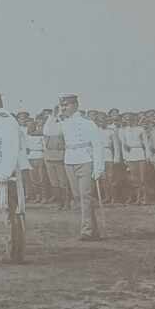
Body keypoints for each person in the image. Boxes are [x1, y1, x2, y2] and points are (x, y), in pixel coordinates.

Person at [48, 93, 106, 240]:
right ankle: (93, 230)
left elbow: (97, 145)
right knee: (78, 197)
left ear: (75, 105)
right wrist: (54, 115)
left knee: (85, 196)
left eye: (67, 105)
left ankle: (86, 230)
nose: (64, 108)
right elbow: (49, 132)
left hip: (85, 160)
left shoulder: (87, 123)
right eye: (62, 105)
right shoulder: (63, 122)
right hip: (70, 161)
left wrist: (99, 167)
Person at [0, 93, 29, 262]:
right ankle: (13, 250)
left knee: (12, 211)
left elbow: (11, 149)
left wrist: (4, 174)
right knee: (8, 211)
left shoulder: (5, 119)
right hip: (1, 172)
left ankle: (15, 252)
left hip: (8, 175)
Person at [41, 107, 71, 210]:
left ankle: (66, 202)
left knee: (63, 181)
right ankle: (59, 203)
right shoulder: (48, 127)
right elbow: (45, 139)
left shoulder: (63, 126)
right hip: (49, 158)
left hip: (60, 158)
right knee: (54, 182)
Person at [118, 112, 148, 204]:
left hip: (140, 154)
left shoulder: (140, 129)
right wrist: (125, 158)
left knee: (142, 178)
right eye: (126, 119)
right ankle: (137, 198)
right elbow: (123, 145)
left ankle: (144, 199)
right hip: (130, 155)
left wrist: (147, 156)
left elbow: (146, 143)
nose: (128, 121)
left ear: (134, 119)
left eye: (130, 119)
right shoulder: (123, 130)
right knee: (134, 179)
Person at [24, 119, 47, 203]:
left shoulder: (41, 136)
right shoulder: (27, 137)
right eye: (28, 126)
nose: (29, 128)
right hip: (30, 158)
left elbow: (44, 148)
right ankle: (38, 196)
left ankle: (44, 197)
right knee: (33, 179)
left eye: (31, 126)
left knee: (41, 178)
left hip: (40, 157)